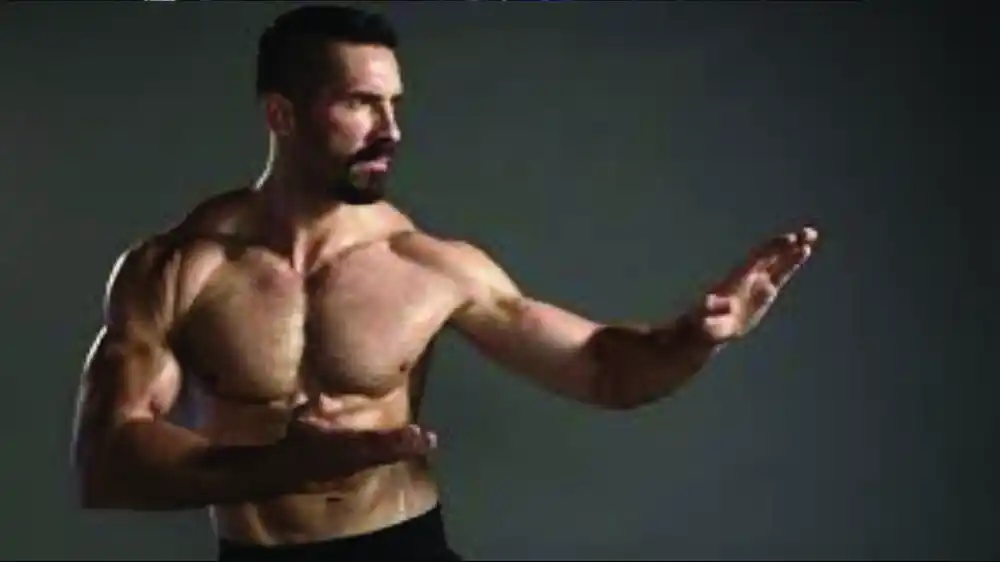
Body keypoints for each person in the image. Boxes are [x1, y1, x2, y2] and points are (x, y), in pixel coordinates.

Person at [69, 5, 819, 561]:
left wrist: (695, 340)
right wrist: (278, 469)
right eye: (362, 103)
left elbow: (605, 370)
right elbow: (106, 462)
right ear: (281, 114)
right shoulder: (177, 267)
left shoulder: (427, 265)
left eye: (395, 103)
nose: (391, 129)